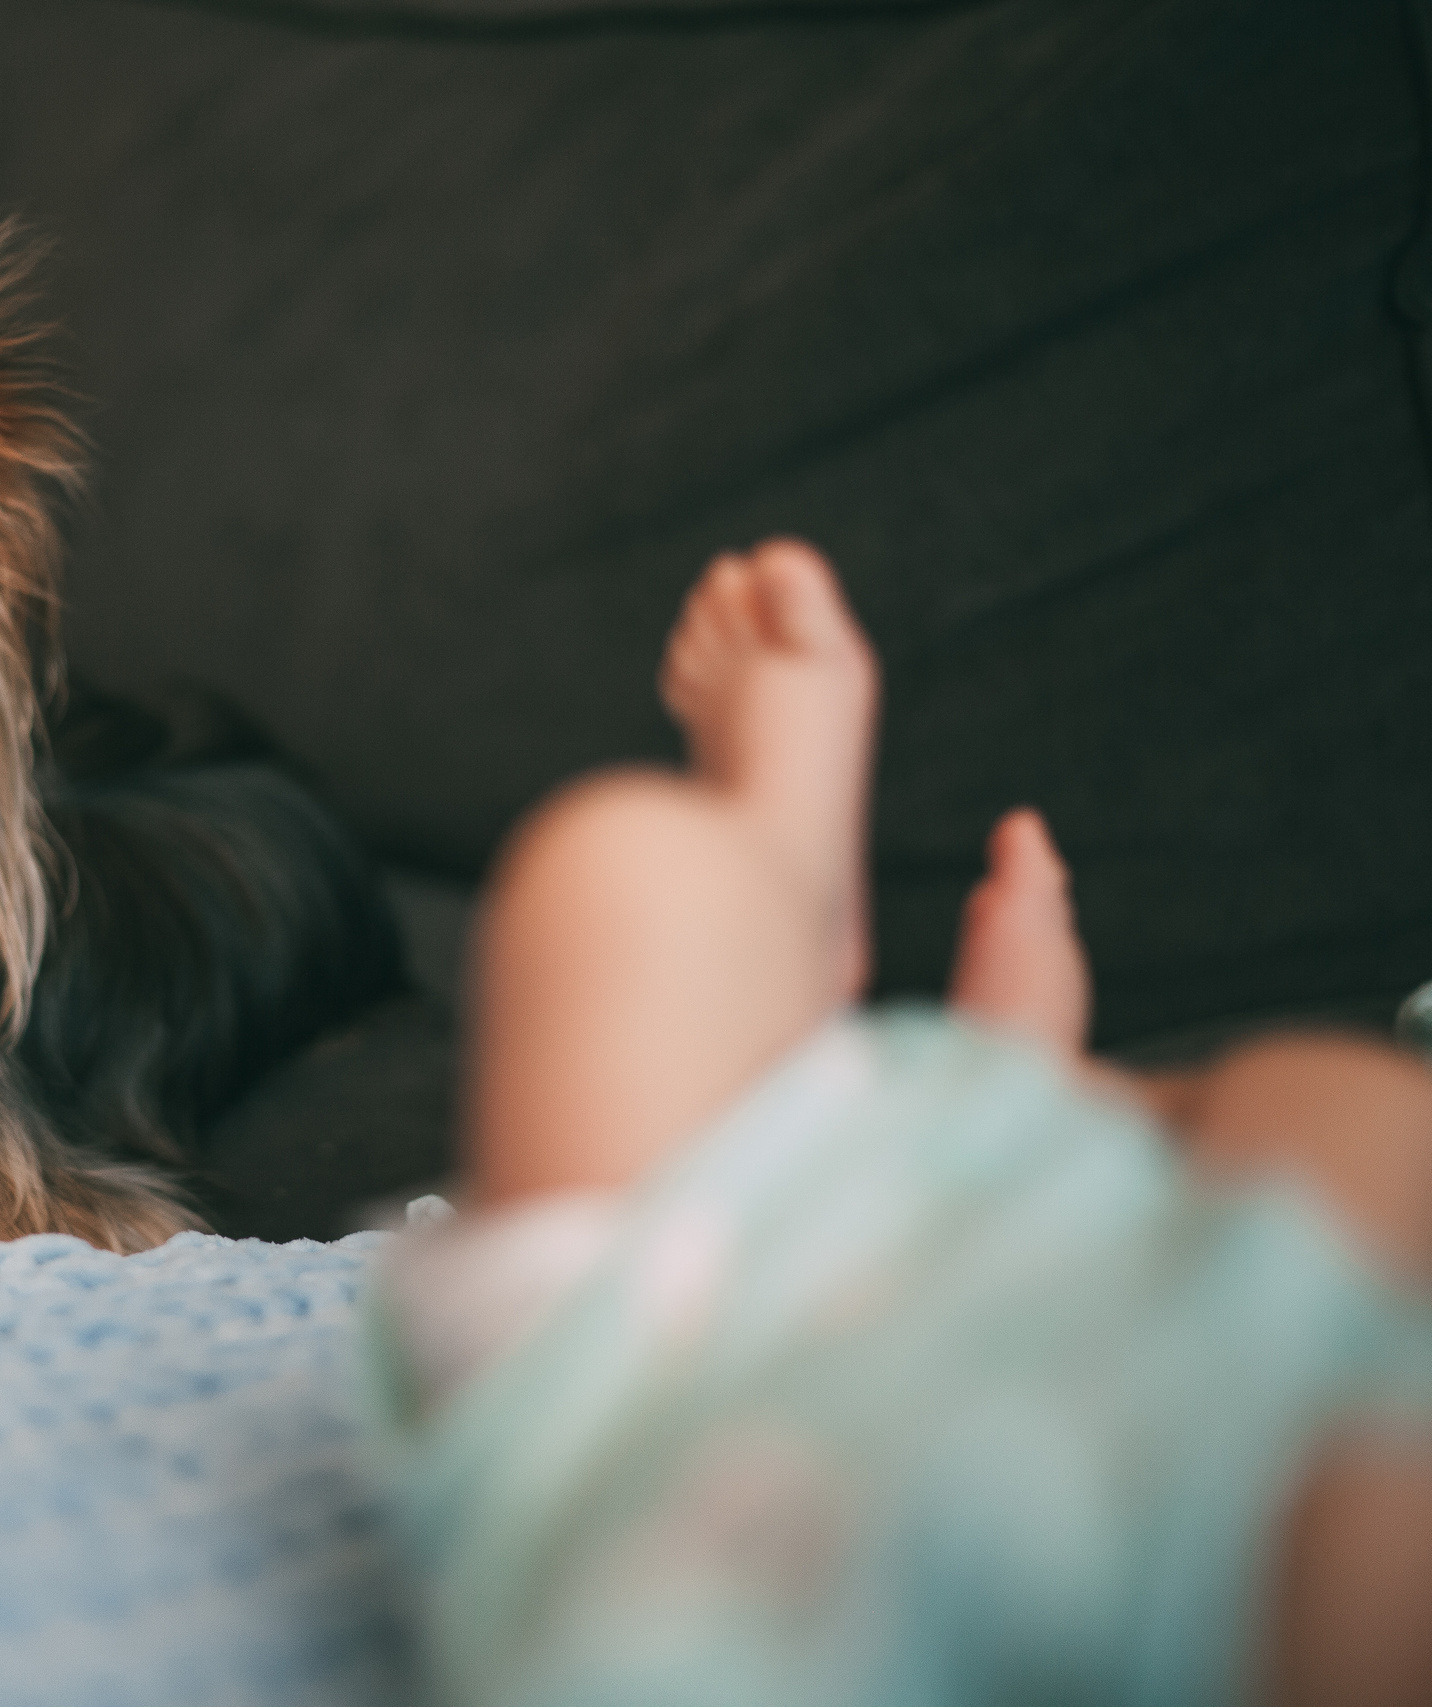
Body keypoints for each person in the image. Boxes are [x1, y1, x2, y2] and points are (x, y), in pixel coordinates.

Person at [371, 540, 1432, 1706]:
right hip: (1219, 1339)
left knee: (613, 872)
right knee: (1356, 1105)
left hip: (663, 1369)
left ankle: (866, 999)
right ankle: (998, 1088)